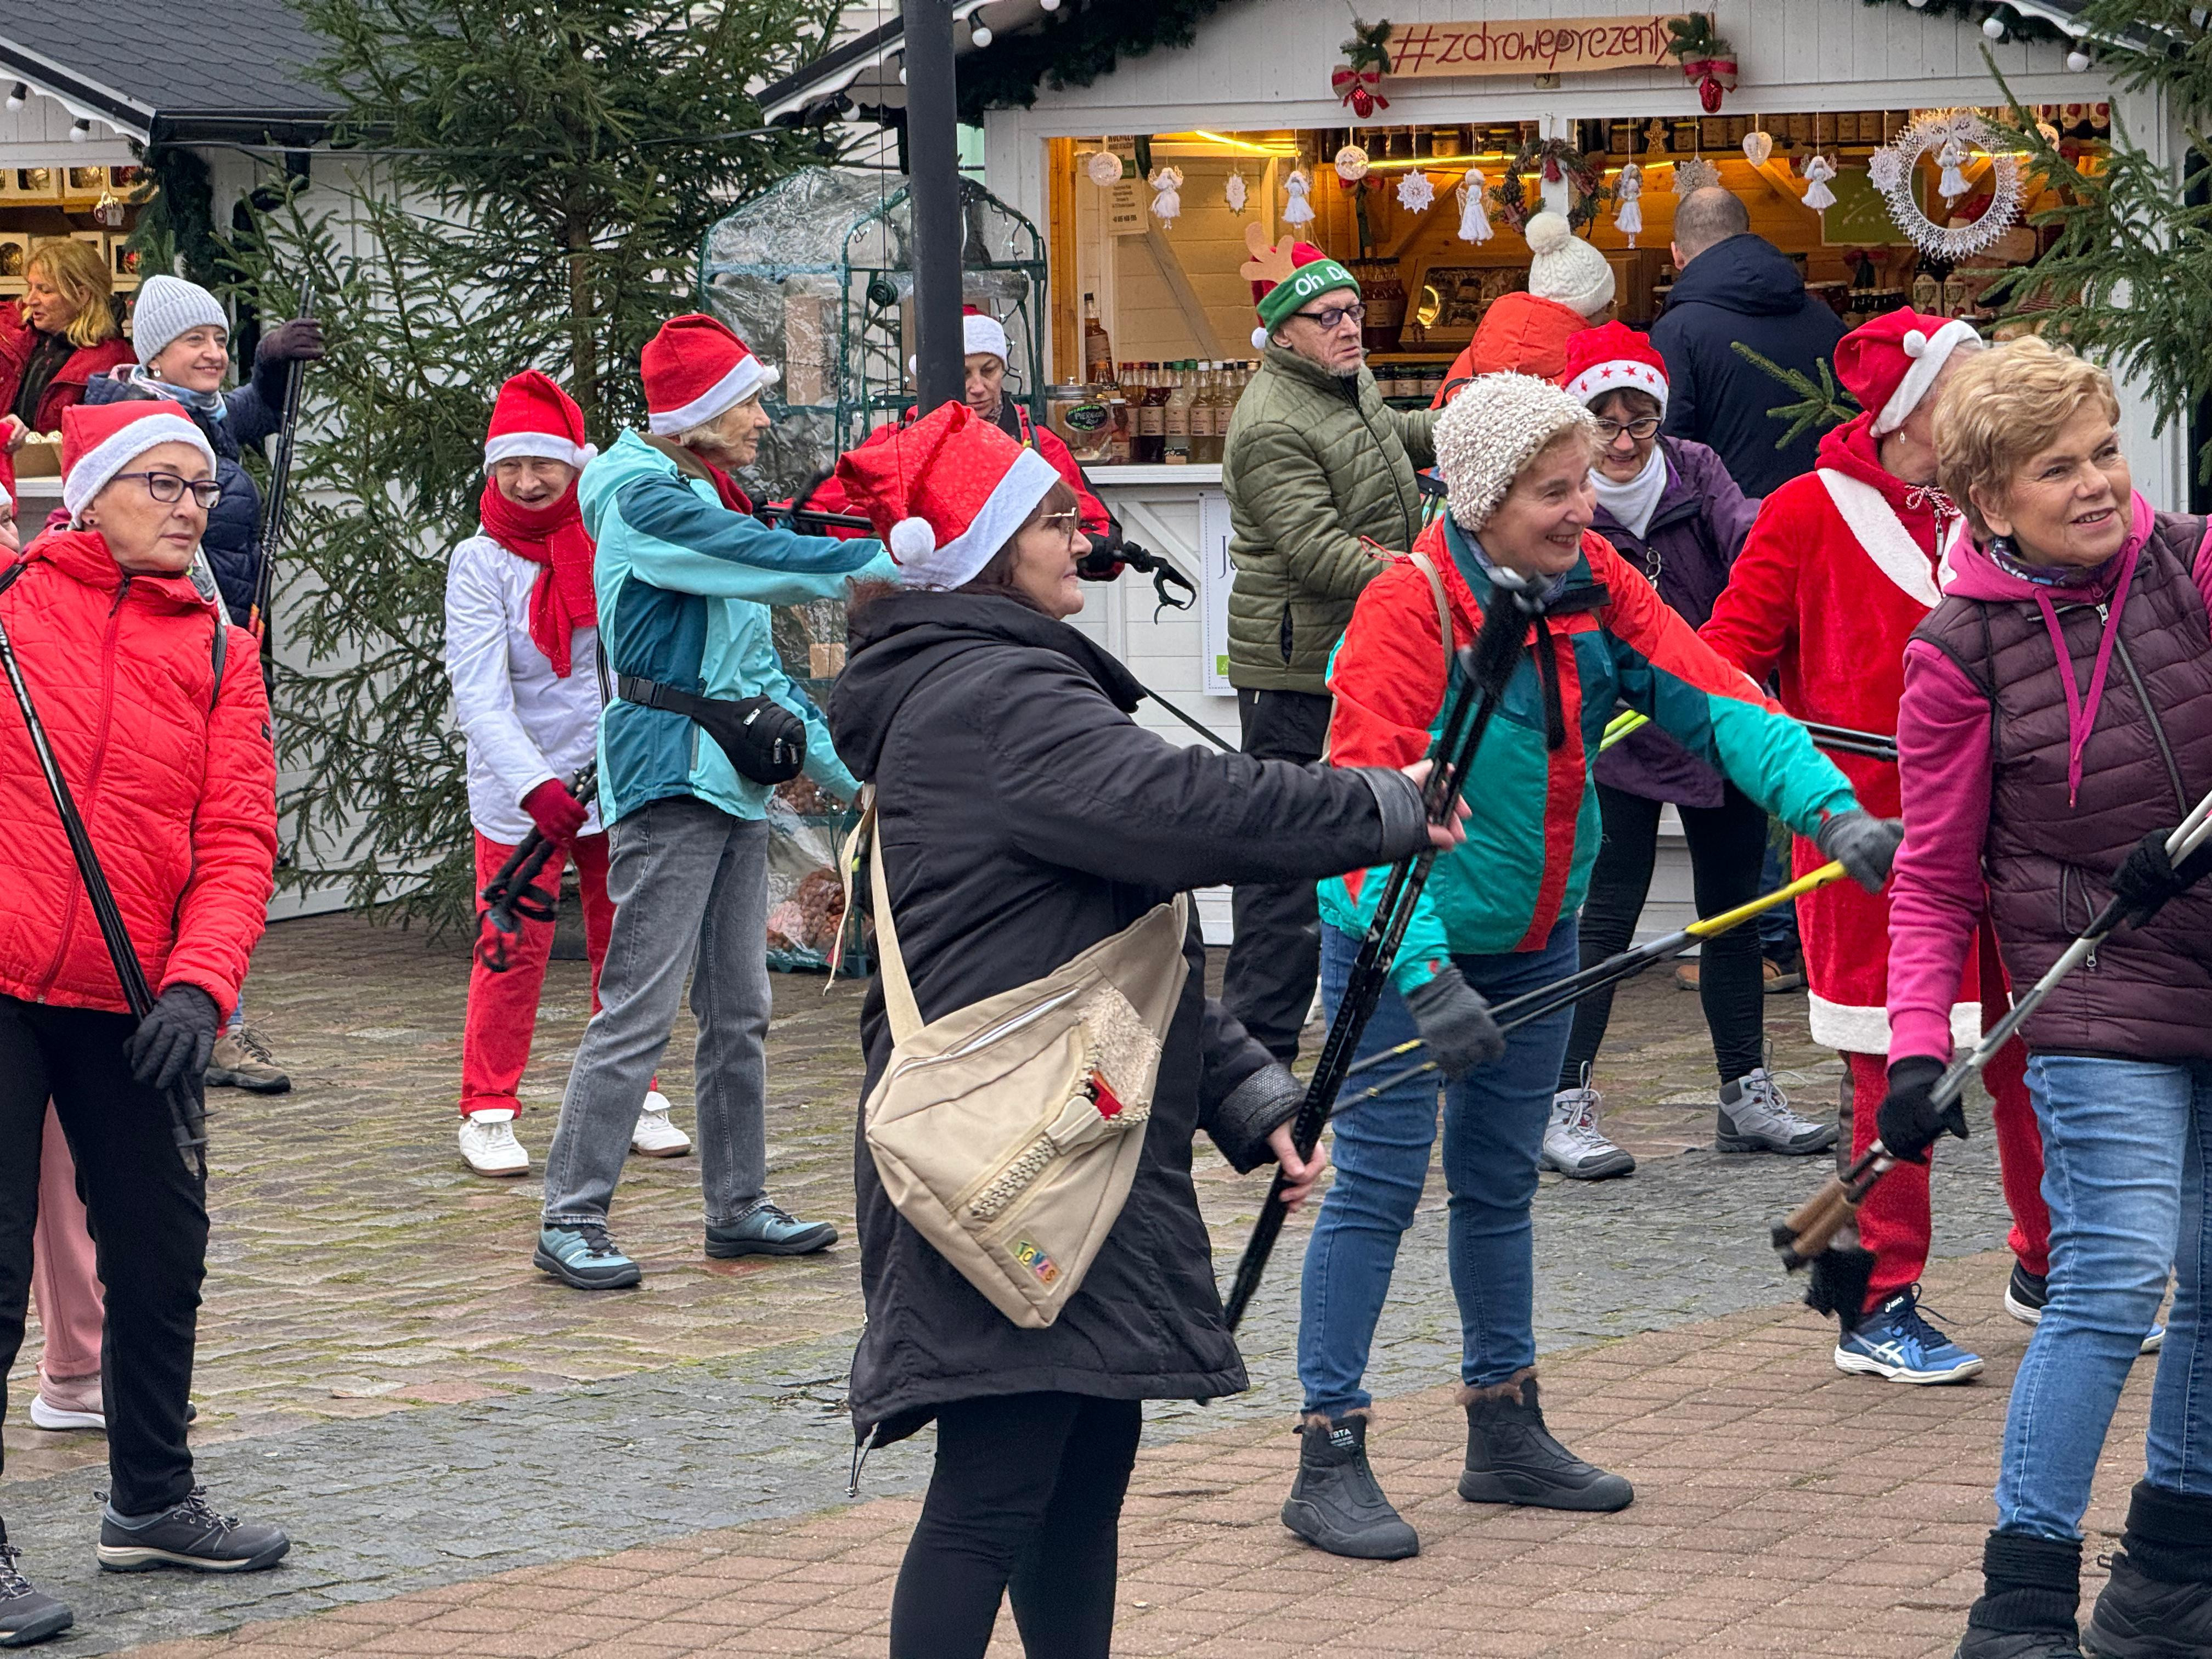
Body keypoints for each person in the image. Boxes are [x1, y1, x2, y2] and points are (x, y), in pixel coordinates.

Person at [826, 397, 1455, 1658]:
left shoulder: (989, 684)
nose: (1084, 533)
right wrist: (1375, 804)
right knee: (997, 1484)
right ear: (987, 552)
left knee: (1080, 1473)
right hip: (1017, 1156)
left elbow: (1122, 940)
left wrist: (1251, 1098)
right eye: (1056, 517)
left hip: (1073, 1141)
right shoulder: (989, 694)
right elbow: (1175, 810)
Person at [1285, 371, 1895, 1561]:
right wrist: (1423, 975)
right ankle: (1330, 1448)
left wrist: (1833, 812)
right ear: (1480, 498)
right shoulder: (1409, 611)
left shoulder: (1596, 584)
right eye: (1555, 491)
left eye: (1583, 485)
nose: (1584, 508)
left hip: (1533, 937)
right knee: (1375, 1192)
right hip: (1399, 942)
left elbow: (1720, 702)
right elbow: (1358, 811)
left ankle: (1503, 1428)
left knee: (1502, 1189)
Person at [1885, 335, 2211, 1659]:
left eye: (2104, 453)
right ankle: (2018, 1605)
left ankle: (2172, 1581)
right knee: (2118, 1270)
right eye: (2055, 468)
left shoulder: (2192, 564)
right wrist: (1917, 1055)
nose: (2096, 485)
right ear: (1989, 501)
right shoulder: (1958, 653)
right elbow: (1931, 880)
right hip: (2097, 986)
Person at [1702, 308, 2060, 1385]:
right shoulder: (1809, 513)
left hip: (2012, 830)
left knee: (2033, 1047)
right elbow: (1724, 665)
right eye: (1974, 392)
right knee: (1894, 1069)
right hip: (1878, 845)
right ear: (1918, 409)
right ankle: (1878, 1299)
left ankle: (2051, 1262)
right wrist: (1809, 781)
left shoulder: (1991, 513)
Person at [0, 400, 290, 1649]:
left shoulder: (225, 653)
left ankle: (153, 1501)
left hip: (139, 1002)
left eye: (202, 485)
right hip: (4, 989)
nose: (190, 505)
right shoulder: (8, 611)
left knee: (162, 1258)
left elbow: (237, 839)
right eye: (162, 483)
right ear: (93, 491)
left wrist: (200, 985)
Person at [533, 314, 894, 1290]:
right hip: (666, 775)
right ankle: (570, 1215)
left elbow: (756, 670)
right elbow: (757, 556)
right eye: (746, 398)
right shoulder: (644, 497)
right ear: (694, 414)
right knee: (637, 1007)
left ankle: (736, 1207)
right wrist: (883, 559)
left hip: (728, 778)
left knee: (741, 1004)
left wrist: (846, 773)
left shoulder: (698, 487)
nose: (762, 416)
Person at [1548, 323, 1834, 1174]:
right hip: (1619, 731)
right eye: (1607, 422)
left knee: (1736, 913)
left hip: (1711, 711)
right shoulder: (1567, 500)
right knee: (1602, 921)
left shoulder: (1698, 471)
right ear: (1581, 423)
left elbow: (1748, 535)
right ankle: (1562, 1100)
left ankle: (1745, 1091)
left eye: (1642, 421)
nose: (1627, 442)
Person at [445, 370, 690, 1176]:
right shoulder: (479, 564)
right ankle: (487, 1105)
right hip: (524, 791)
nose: (526, 481)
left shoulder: (606, 539)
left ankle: (634, 1092)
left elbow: (621, 661)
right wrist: (535, 786)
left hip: (607, 776)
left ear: (573, 466)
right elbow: (482, 696)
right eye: (509, 466)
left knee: (627, 944)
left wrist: (616, 759)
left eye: (542, 465)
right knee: (512, 945)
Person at [84, 274, 324, 1096]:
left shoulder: (203, 418)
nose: (212, 355)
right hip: (175, 651)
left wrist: (272, 371)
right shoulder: (144, 427)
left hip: (219, 648)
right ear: (154, 353)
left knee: (218, 824)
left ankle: (209, 1012)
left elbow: (248, 420)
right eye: (197, 342)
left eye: (221, 339)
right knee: (192, 831)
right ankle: (213, 1021)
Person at [1220, 233, 1438, 1065]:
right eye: (1329, 316)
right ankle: (1257, 1057)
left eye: (1354, 311)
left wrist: (1461, 431)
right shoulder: (1271, 422)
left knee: (1364, 837)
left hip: (1360, 655)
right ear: (1282, 333)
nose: (1352, 327)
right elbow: (1317, 552)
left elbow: (1390, 440)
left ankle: (1373, 1028)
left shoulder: (1348, 383)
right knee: (1286, 865)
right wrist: (1426, 580)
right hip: (1296, 668)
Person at [1648, 187, 1846, 497]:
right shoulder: (1826, 319)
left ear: (1677, 254)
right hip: (1829, 514)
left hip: (1731, 531)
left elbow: (1668, 448)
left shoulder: (1676, 332)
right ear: (1745, 233)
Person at [1432, 210, 1611, 393]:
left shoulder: (1470, 360)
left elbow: (1438, 418)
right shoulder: (1598, 374)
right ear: (1594, 311)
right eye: (1609, 305)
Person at [0, 241, 134, 465]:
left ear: (81, 295)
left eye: (44, 290)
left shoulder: (115, 363)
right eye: (30, 287)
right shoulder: (7, 334)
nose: (29, 300)